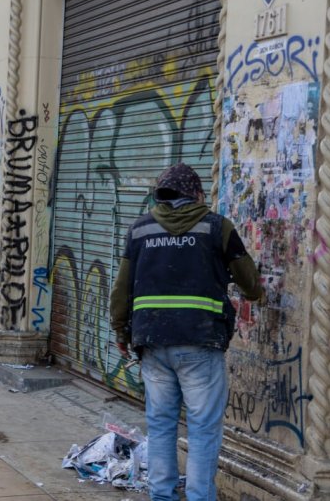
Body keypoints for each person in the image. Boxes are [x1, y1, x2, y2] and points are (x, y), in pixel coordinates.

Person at [109, 163, 263, 501]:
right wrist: (254, 290)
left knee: (161, 425)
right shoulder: (216, 228)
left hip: (151, 342)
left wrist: (120, 332)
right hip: (200, 342)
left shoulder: (139, 230)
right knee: (203, 430)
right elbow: (250, 283)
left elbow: (121, 290)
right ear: (195, 194)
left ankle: (162, 496)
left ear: (161, 195)